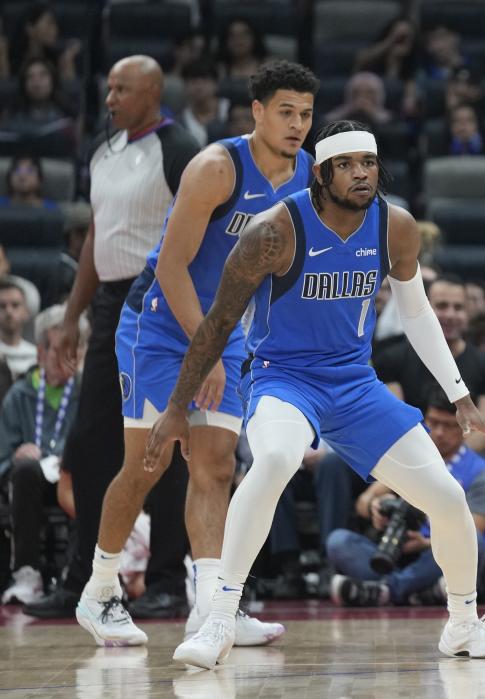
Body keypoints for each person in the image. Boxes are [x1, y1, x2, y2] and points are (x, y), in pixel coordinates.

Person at [146, 120, 485, 668]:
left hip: (354, 382)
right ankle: (219, 619)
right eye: (346, 165)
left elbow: (416, 312)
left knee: (447, 497)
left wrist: (460, 396)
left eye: (368, 162)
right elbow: (219, 323)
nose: (361, 173)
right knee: (273, 460)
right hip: (283, 377)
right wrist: (177, 408)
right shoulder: (274, 231)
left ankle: (463, 625)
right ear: (319, 174)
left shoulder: (396, 225)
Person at [74, 60, 317, 648]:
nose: (297, 125)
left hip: (224, 330)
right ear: (256, 112)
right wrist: (203, 354)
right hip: (157, 322)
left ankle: (213, 607)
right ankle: (100, 589)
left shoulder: (308, 174)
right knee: (148, 463)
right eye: (285, 112)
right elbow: (174, 267)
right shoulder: (215, 167)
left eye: (306, 114)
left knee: (215, 465)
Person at [24, 55, 200, 621]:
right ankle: (87, 579)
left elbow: (203, 227)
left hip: (161, 297)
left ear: (152, 91)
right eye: (108, 89)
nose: (109, 99)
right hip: (108, 305)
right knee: (92, 443)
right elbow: (99, 234)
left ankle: (169, 578)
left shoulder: (181, 150)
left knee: (165, 444)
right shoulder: (103, 152)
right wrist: (72, 316)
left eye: (121, 89)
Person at [327, 391, 485, 607]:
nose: (438, 432)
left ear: (463, 428)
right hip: (393, 551)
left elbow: (476, 528)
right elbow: (364, 501)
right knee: (338, 541)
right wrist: (374, 508)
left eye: (448, 426)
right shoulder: (408, 460)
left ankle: (388, 591)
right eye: (434, 423)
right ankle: (421, 592)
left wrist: (424, 543)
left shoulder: (480, 472)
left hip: (435, 553)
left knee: (474, 541)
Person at [0, 304, 84, 605]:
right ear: (40, 353)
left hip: (70, 478)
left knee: (86, 470)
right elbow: (3, 455)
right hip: (30, 482)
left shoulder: (86, 392)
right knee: (23, 469)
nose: (67, 359)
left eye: (73, 350)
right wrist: (17, 453)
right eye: (58, 350)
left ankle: (77, 572)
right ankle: (27, 573)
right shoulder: (19, 395)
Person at [374, 275, 485, 454]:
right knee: (336, 463)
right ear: (424, 310)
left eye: (458, 307)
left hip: (466, 456)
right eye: (442, 306)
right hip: (407, 453)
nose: (450, 315)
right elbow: (395, 422)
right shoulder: (391, 359)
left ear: (468, 312)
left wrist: (446, 459)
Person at [0, 279, 36, 379]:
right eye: (2, 306)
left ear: (26, 312)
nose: (9, 311)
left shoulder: (36, 357)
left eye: (15, 305)